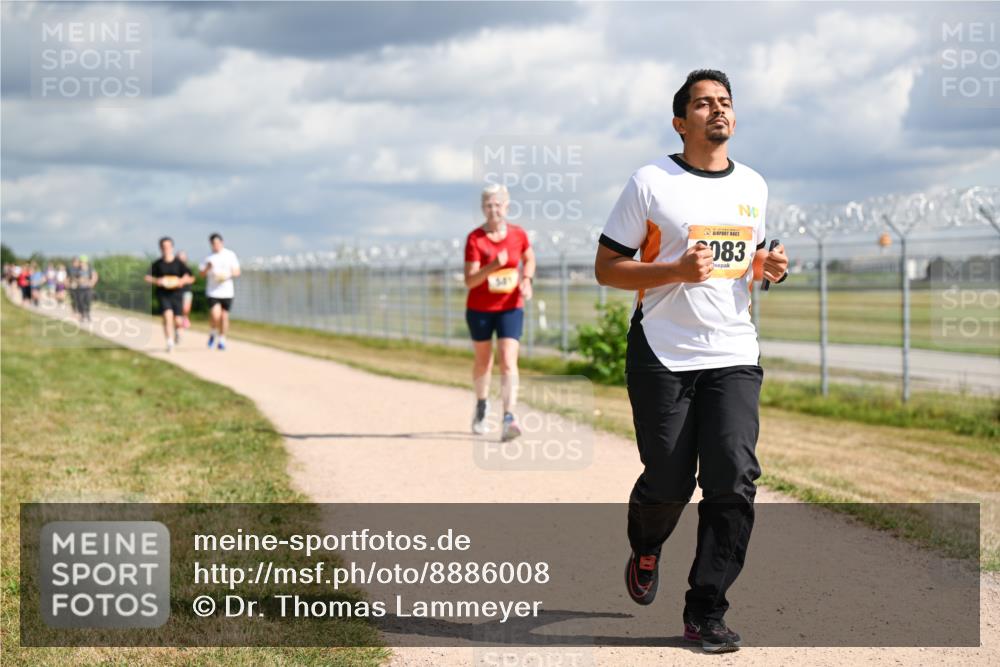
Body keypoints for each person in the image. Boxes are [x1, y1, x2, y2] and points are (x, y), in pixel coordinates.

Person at [594, 69, 788, 654]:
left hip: (732, 351)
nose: (717, 110)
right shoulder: (651, 183)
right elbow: (608, 267)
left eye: (724, 102)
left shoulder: (752, 186)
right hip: (662, 351)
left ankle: (706, 609)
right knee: (671, 481)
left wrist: (767, 268)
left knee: (734, 475)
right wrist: (674, 272)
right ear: (681, 122)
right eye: (703, 104)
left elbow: (744, 262)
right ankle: (646, 543)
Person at [463, 183, 536, 441]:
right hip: (480, 308)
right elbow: (470, 281)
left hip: (511, 306)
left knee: (508, 359)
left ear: (506, 206)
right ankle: (482, 405)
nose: (493, 210)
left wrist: (526, 279)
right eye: (488, 205)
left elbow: (529, 258)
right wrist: (493, 265)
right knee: (484, 362)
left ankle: (509, 416)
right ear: (483, 208)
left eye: (497, 204)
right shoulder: (475, 239)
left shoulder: (518, 235)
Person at [145, 237, 194, 352]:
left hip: (177, 294)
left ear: (172, 247)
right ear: (160, 248)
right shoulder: (157, 264)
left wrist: (181, 281)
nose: (166, 249)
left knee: (178, 320)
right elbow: (147, 277)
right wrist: (157, 281)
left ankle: (177, 331)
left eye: (168, 246)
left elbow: (190, 277)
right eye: (163, 247)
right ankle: (169, 342)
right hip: (163, 294)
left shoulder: (179, 263)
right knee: (167, 316)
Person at [199, 233, 240, 351]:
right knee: (215, 315)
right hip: (213, 292)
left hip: (227, 291)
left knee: (224, 316)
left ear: (222, 242)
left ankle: (222, 339)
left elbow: (237, 271)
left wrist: (226, 275)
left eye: (218, 243)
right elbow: (201, 274)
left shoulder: (230, 255)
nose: (215, 245)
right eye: (213, 243)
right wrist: (207, 268)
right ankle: (213, 332)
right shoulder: (208, 258)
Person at [74, 255, 98, 322]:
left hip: (88, 288)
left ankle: (87, 313)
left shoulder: (90, 269)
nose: (81, 263)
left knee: (88, 301)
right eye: (80, 262)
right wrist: (78, 280)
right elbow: (74, 278)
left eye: (82, 262)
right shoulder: (78, 270)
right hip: (80, 288)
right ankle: (82, 315)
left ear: (86, 262)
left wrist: (92, 283)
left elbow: (95, 276)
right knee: (81, 302)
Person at [176, 250, 194, 330]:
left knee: (186, 308)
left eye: (183, 258)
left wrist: (184, 280)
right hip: (176, 292)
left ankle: (185, 317)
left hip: (186, 290)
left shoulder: (188, 269)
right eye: (180, 258)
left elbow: (192, 278)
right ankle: (177, 327)